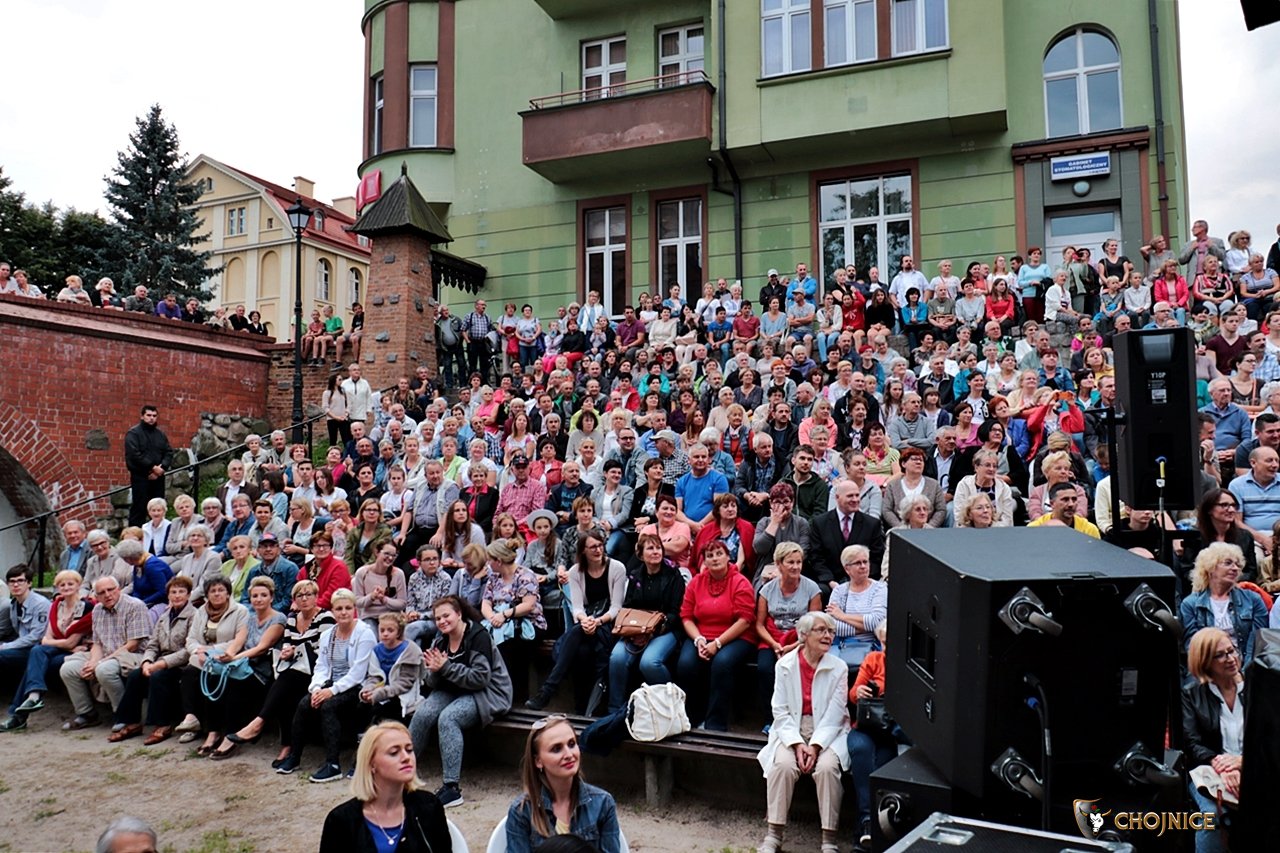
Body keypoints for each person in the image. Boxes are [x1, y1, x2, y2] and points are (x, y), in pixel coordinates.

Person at [756, 612, 849, 853]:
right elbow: (780, 710)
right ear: (804, 635)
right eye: (821, 630)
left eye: (831, 631)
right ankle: (773, 835)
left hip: (827, 731)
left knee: (827, 768)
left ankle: (829, 839)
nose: (828, 636)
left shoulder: (839, 667)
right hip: (792, 729)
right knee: (783, 766)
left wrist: (815, 746)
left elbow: (836, 713)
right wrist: (797, 744)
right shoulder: (784, 665)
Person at [410, 595, 513, 808]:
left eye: (446, 616)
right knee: (423, 713)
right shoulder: (440, 640)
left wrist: (446, 667)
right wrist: (434, 670)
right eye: (438, 618)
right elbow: (432, 682)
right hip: (454, 689)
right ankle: (402, 770)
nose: (442, 621)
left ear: (459, 614)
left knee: (449, 718)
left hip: (487, 693)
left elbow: (480, 678)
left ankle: (451, 788)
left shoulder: (478, 637)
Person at [278, 588, 376, 781]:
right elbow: (322, 666)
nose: (344, 612)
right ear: (333, 611)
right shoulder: (328, 635)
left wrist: (330, 691)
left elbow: (358, 673)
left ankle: (333, 764)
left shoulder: (365, 633)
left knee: (328, 706)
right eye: (339, 608)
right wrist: (316, 689)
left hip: (358, 685)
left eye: (348, 608)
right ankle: (294, 756)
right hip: (332, 683)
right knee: (304, 703)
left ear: (354, 609)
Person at [527, 530, 625, 713]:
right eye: (592, 547)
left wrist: (596, 622)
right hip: (586, 624)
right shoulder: (575, 571)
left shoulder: (617, 568)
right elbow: (577, 607)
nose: (598, 550)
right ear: (583, 551)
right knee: (581, 651)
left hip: (608, 625)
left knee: (576, 634)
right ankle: (581, 709)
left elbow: (616, 607)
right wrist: (585, 620)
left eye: (600, 545)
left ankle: (547, 691)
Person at [318, 720, 453, 853]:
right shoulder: (341, 821)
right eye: (394, 752)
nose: (406, 757)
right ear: (371, 764)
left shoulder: (429, 807)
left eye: (409, 750)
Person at [506, 715, 622, 853]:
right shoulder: (522, 811)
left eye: (572, 744)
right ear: (538, 761)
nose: (568, 754)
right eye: (556, 749)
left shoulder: (603, 803)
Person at [109, 576, 197, 744]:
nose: (177, 595)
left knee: (158, 677)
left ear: (188, 595)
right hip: (159, 661)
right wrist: (147, 662)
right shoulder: (164, 616)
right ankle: (131, 722)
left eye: (181, 592)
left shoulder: (194, 615)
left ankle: (163, 724)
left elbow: (188, 650)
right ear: (168, 595)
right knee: (136, 675)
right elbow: (152, 644)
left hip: (182, 664)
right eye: (173, 592)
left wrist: (161, 664)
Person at [678, 540, 755, 730]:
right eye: (710, 556)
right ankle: (691, 719)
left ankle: (715, 724)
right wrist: (698, 639)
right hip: (702, 634)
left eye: (719, 554)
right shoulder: (696, 582)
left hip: (736, 636)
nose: (715, 559)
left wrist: (718, 643)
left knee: (722, 663)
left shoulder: (740, 582)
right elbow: (686, 616)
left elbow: (745, 620)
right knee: (686, 664)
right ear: (704, 561)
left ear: (728, 557)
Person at [2, 569, 93, 731]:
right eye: (62, 585)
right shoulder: (57, 605)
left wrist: (62, 644)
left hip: (77, 651)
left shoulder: (84, 606)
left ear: (79, 585)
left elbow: (70, 642)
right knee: (37, 654)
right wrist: (60, 643)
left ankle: (20, 713)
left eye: (70, 584)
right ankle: (31, 699)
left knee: (36, 658)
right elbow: (46, 638)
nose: (66, 587)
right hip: (55, 649)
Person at [1181, 627, 1243, 853]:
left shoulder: (1257, 687)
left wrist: (1241, 762)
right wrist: (1220, 765)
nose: (1231, 658)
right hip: (1209, 770)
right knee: (1211, 816)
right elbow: (1191, 743)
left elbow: (1270, 736)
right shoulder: (1191, 693)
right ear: (1205, 661)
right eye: (1221, 655)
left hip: (1255, 765)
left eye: (1232, 650)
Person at [754, 542, 822, 712]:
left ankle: (797, 712)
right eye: (791, 562)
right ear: (779, 564)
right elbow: (760, 624)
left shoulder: (812, 588)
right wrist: (775, 645)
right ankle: (770, 716)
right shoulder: (766, 590)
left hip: (802, 639)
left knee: (797, 668)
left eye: (799, 562)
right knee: (764, 669)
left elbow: (815, 624)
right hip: (773, 638)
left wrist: (794, 646)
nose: (796, 567)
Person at [1179, 543, 1269, 667]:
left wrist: (1244, 672)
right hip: (1207, 668)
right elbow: (1193, 647)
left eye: (1238, 565)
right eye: (1228, 563)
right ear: (1210, 567)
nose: (1235, 568)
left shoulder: (1253, 600)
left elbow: (1257, 644)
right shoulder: (1190, 604)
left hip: (1246, 667)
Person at [359, 614, 424, 725]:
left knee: (382, 714)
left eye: (390, 630)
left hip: (403, 697)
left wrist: (381, 693)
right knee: (360, 708)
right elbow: (374, 676)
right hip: (382, 694)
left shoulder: (410, 650)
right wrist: (368, 689)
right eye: (382, 630)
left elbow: (405, 683)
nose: (385, 634)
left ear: (398, 632)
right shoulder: (376, 650)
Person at [124, 406, 172, 527]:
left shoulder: (160, 435)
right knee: (139, 508)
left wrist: (162, 468)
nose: (151, 418)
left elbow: (168, 452)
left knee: (158, 508)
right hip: (140, 477)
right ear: (142, 416)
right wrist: (152, 467)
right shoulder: (133, 433)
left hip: (158, 478)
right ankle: (135, 534)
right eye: (149, 415)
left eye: (154, 416)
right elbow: (134, 455)